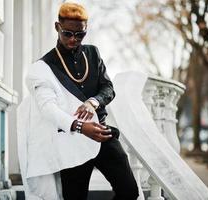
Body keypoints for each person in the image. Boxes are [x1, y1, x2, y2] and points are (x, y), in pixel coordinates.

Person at [17, 2, 139, 200]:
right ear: (57, 27)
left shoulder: (93, 53)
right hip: (70, 142)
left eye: (80, 34)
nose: (74, 39)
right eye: (67, 33)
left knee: (129, 191)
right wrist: (81, 127)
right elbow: (48, 109)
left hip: (102, 134)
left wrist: (93, 102)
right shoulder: (43, 67)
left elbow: (108, 88)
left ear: (86, 29)